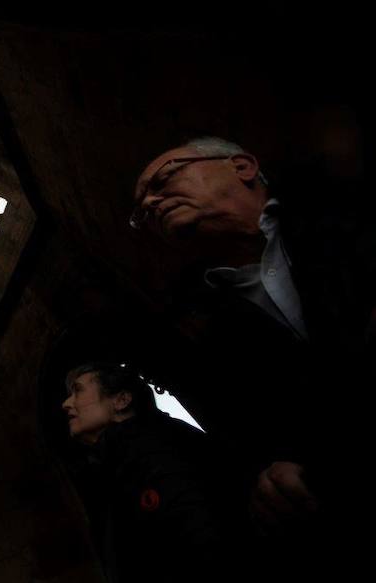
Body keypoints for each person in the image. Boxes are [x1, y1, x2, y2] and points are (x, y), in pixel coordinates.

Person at [130, 136, 374, 573]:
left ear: (242, 167)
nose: (150, 202)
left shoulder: (346, 205)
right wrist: (265, 480)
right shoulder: (198, 333)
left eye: (164, 179)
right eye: (141, 210)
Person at [61, 362, 245, 583]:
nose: (66, 403)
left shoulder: (156, 449)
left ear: (121, 400)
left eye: (78, 391)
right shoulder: (118, 463)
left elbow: (206, 545)